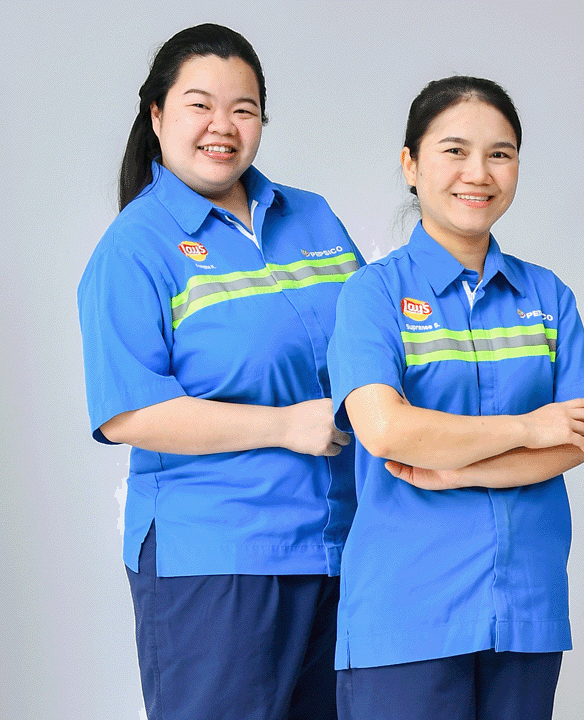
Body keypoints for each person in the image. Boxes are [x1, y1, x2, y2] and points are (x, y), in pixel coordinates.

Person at [77, 23, 362, 720]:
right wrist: (285, 425)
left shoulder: (312, 217)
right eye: (200, 105)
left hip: (340, 545)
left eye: (243, 108)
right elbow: (130, 412)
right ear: (157, 115)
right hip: (217, 560)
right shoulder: (136, 248)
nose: (222, 127)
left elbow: (373, 339)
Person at [327, 75, 584, 720]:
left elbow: (581, 438)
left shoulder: (548, 296)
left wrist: (453, 471)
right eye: (454, 150)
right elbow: (386, 430)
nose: (477, 173)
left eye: (500, 154)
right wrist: (529, 429)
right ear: (411, 165)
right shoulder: (373, 295)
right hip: (405, 617)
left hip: (524, 609)